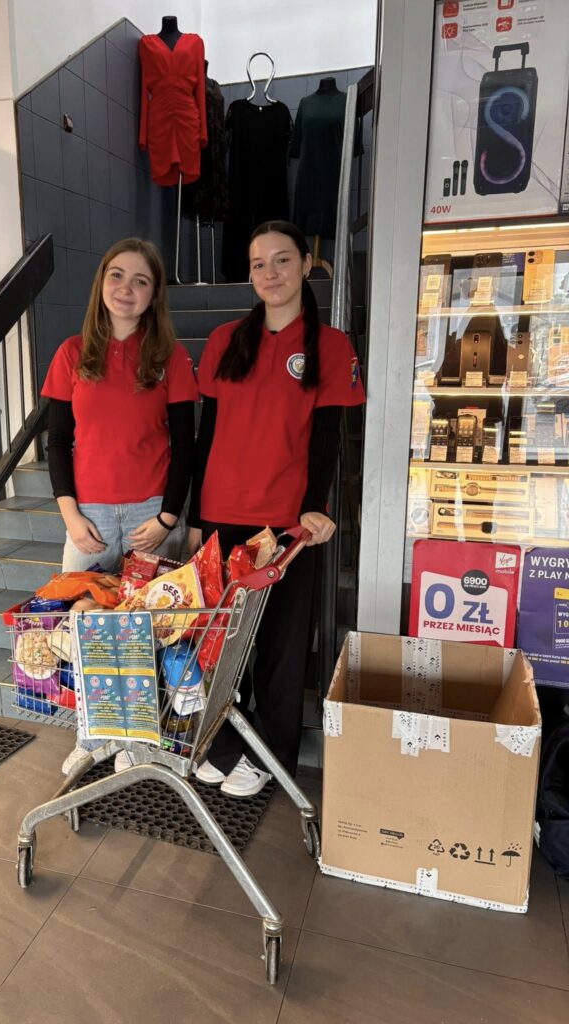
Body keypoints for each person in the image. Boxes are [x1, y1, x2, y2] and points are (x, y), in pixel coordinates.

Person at [187, 220, 366, 797]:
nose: (270, 273)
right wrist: (194, 518)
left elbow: (328, 436)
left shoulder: (330, 346)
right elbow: (206, 434)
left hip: (287, 524)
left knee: (282, 646)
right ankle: (223, 743)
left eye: (282, 260)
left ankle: (270, 755)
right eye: (259, 263)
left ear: (307, 265)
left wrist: (315, 508)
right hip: (221, 513)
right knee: (221, 642)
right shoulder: (225, 341)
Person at [41, 237, 198, 772]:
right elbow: (56, 442)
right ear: (101, 283)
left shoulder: (171, 358)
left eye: (140, 280)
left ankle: (137, 738)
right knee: (84, 630)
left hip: (150, 513)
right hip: (88, 518)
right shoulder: (71, 354)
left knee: (148, 631)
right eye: (117, 275)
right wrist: (70, 515)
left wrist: (168, 518)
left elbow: (186, 445)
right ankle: (92, 736)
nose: (126, 288)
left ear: (154, 295)